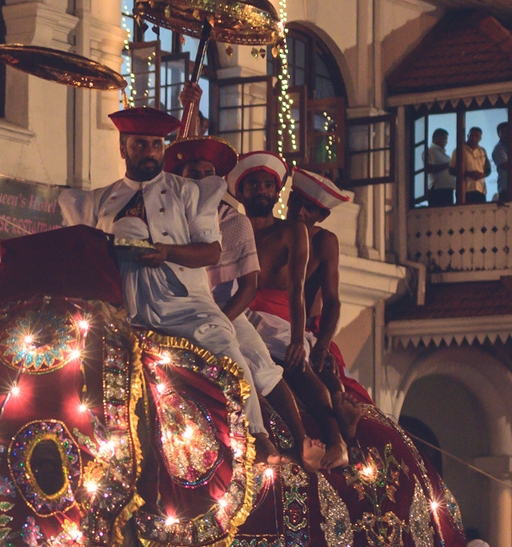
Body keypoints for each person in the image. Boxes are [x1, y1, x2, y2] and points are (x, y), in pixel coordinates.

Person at [58, 108, 280, 469]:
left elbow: (212, 251)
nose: (149, 151)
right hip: (122, 306)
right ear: (123, 148)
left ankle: (258, 433)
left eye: (156, 144)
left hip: (185, 304)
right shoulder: (98, 201)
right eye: (140, 144)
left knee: (228, 346)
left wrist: (168, 253)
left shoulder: (190, 193)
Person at [162, 131, 311, 467]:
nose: (200, 182)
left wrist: (222, 321)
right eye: (192, 175)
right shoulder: (164, 218)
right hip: (174, 311)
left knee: (258, 365)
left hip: (226, 311)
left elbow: (248, 287)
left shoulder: (234, 221)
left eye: (207, 175)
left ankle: (285, 440)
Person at [227, 152, 346, 470]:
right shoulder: (230, 228)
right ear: (241, 191)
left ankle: (334, 439)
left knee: (294, 362)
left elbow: (298, 290)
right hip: (238, 311)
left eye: (269, 185)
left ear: (277, 192)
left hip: (281, 320)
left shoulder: (295, 233)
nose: (262, 191)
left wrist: (299, 339)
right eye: (254, 185)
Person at [288, 168, 365, 437]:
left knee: (326, 375)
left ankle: (342, 423)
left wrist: (322, 344)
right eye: (295, 203)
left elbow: (332, 301)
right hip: (266, 321)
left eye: (308, 209)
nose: (299, 213)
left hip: (306, 330)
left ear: (322, 216)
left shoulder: (324, 242)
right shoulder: (271, 234)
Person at [457, 125, 492, 204]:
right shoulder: (460, 150)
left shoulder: (482, 151)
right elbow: (452, 170)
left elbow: (488, 169)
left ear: (480, 138)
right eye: (472, 135)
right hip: (465, 190)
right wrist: (467, 174)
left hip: (480, 189)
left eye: (477, 136)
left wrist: (482, 175)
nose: (474, 138)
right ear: (468, 135)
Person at [423, 128, 455, 206]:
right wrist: (448, 165)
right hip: (438, 191)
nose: (446, 141)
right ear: (437, 137)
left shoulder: (445, 155)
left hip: (448, 190)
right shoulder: (430, 151)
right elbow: (429, 168)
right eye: (445, 138)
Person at [495, 123, 512, 202]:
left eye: (508, 131)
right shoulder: (499, 148)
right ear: (499, 134)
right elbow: (506, 165)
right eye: (503, 132)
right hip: (506, 188)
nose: (506, 134)